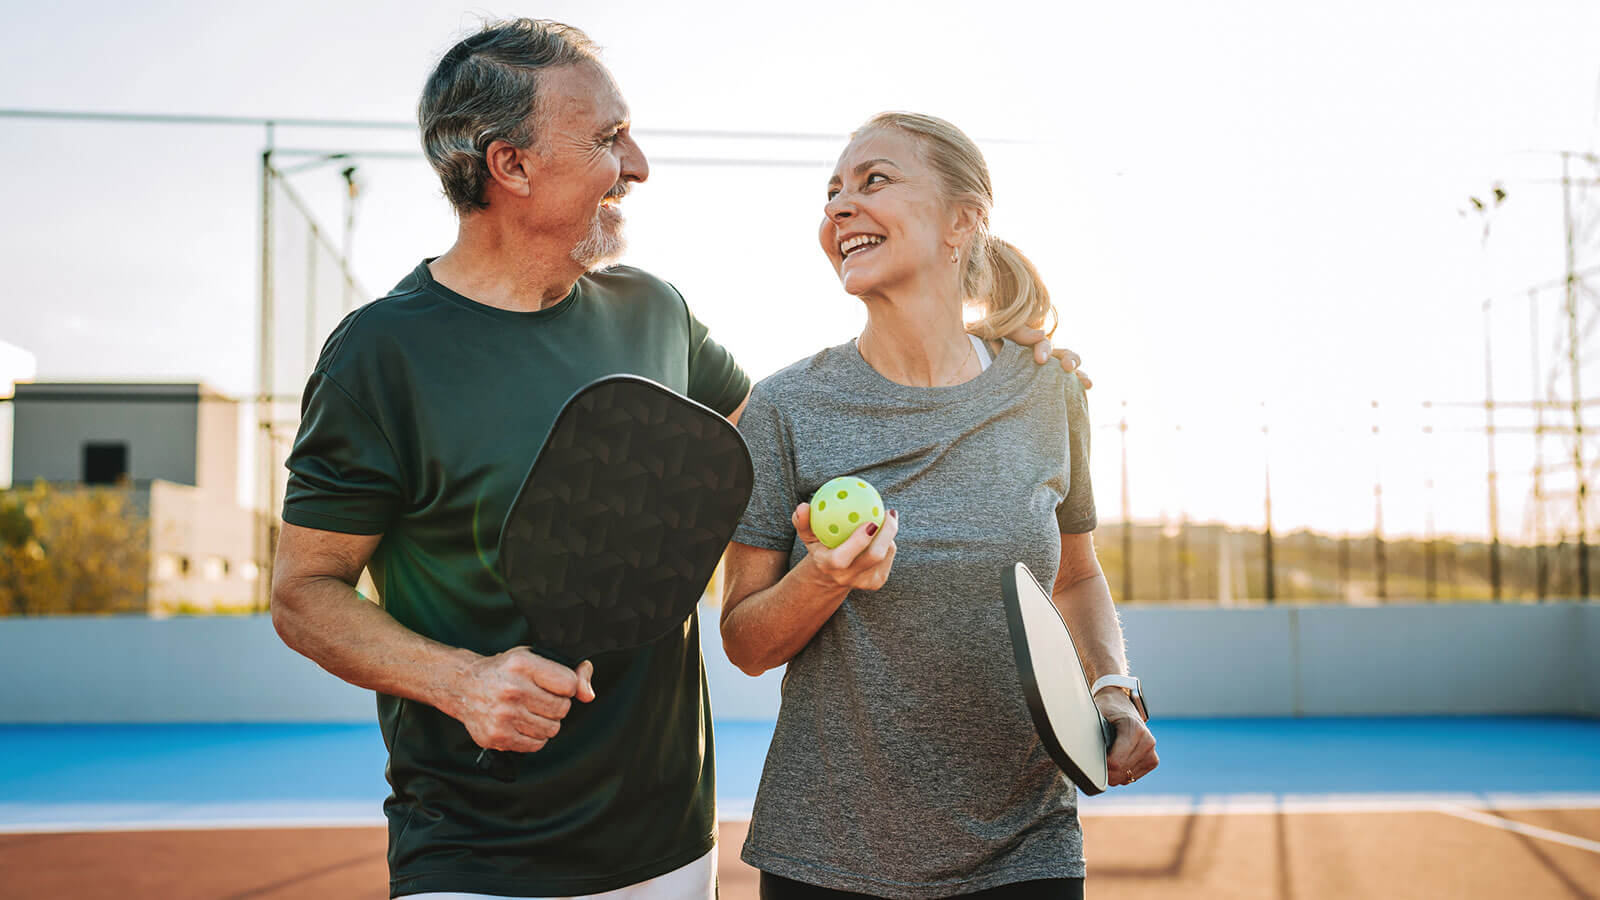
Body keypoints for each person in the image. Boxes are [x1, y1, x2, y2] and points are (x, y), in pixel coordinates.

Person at [270, 21, 1090, 900]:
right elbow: (303, 592)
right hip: (474, 851)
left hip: (670, 842)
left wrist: (1009, 387)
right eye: (607, 139)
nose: (639, 166)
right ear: (510, 166)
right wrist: (463, 681)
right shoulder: (380, 355)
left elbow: (781, 439)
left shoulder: (656, 313)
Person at [720, 112, 1159, 900]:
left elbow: (1079, 577)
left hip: (1027, 851)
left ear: (963, 221)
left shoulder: (1048, 389)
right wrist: (823, 580)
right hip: (826, 857)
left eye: (873, 180)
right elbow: (745, 641)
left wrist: (1112, 690)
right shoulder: (784, 408)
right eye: (832, 193)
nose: (839, 208)